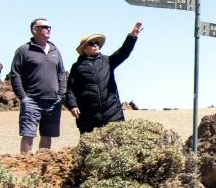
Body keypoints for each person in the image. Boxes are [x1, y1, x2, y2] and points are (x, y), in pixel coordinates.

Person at [66, 22, 142, 135]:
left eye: (97, 43)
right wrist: (72, 105)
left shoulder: (107, 61)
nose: (95, 45)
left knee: (117, 146)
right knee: (90, 149)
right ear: (84, 48)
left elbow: (123, 52)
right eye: (91, 43)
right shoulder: (77, 67)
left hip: (112, 113)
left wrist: (132, 37)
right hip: (88, 117)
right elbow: (70, 89)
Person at [9, 17, 67, 153]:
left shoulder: (55, 50)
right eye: (44, 27)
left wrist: (60, 94)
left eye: (49, 27)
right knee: (28, 134)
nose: (48, 29)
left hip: (53, 101)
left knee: (47, 134)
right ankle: (25, 164)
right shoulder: (24, 50)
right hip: (32, 101)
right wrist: (23, 97)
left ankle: (42, 165)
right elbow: (15, 74)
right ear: (34, 30)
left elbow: (61, 73)